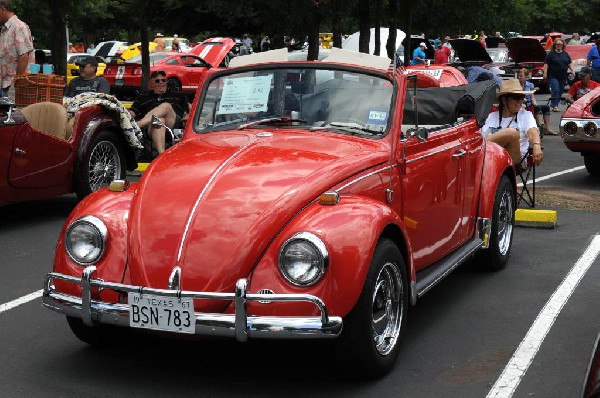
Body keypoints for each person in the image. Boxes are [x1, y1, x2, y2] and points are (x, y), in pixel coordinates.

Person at [481, 79, 543, 168]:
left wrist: (536, 145)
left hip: (515, 161)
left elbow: (532, 131)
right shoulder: (491, 117)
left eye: (522, 97)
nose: (520, 101)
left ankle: (478, 149)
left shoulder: (525, 115)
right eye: (517, 97)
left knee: (511, 133)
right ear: (504, 100)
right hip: (490, 157)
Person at [128, 70, 189, 155]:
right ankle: (162, 155)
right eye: (157, 81)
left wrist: (186, 119)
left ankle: (138, 126)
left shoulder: (178, 95)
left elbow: (189, 112)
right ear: (152, 83)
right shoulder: (143, 97)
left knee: (166, 106)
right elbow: (132, 113)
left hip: (173, 124)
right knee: (159, 120)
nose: (161, 83)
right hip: (151, 128)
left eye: (163, 80)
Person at [0, 0, 34, 101]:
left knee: (15, 115)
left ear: (3, 9)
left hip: (16, 85)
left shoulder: (19, 27)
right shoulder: (5, 30)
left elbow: (24, 56)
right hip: (6, 84)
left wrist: (17, 81)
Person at [517, 68, 556, 135]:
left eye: (521, 76)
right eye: (519, 76)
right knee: (537, 109)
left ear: (526, 77)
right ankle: (540, 127)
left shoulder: (530, 85)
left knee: (545, 107)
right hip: (521, 104)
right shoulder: (516, 85)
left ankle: (547, 129)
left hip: (529, 103)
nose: (519, 77)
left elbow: (532, 97)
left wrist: (535, 103)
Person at [543, 38, 574, 112]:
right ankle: (554, 105)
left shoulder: (565, 54)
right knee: (555, 89)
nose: (559, 45)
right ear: (554, 45)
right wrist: (545, 73)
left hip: (562, 76)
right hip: (553, 76)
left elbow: (570, 63)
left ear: (563, 45)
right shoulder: (551, 54)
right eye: (557, 44)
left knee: (560, 91)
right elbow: (546, 64)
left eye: (560, 44)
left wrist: (572, 70)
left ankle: (555, 103)